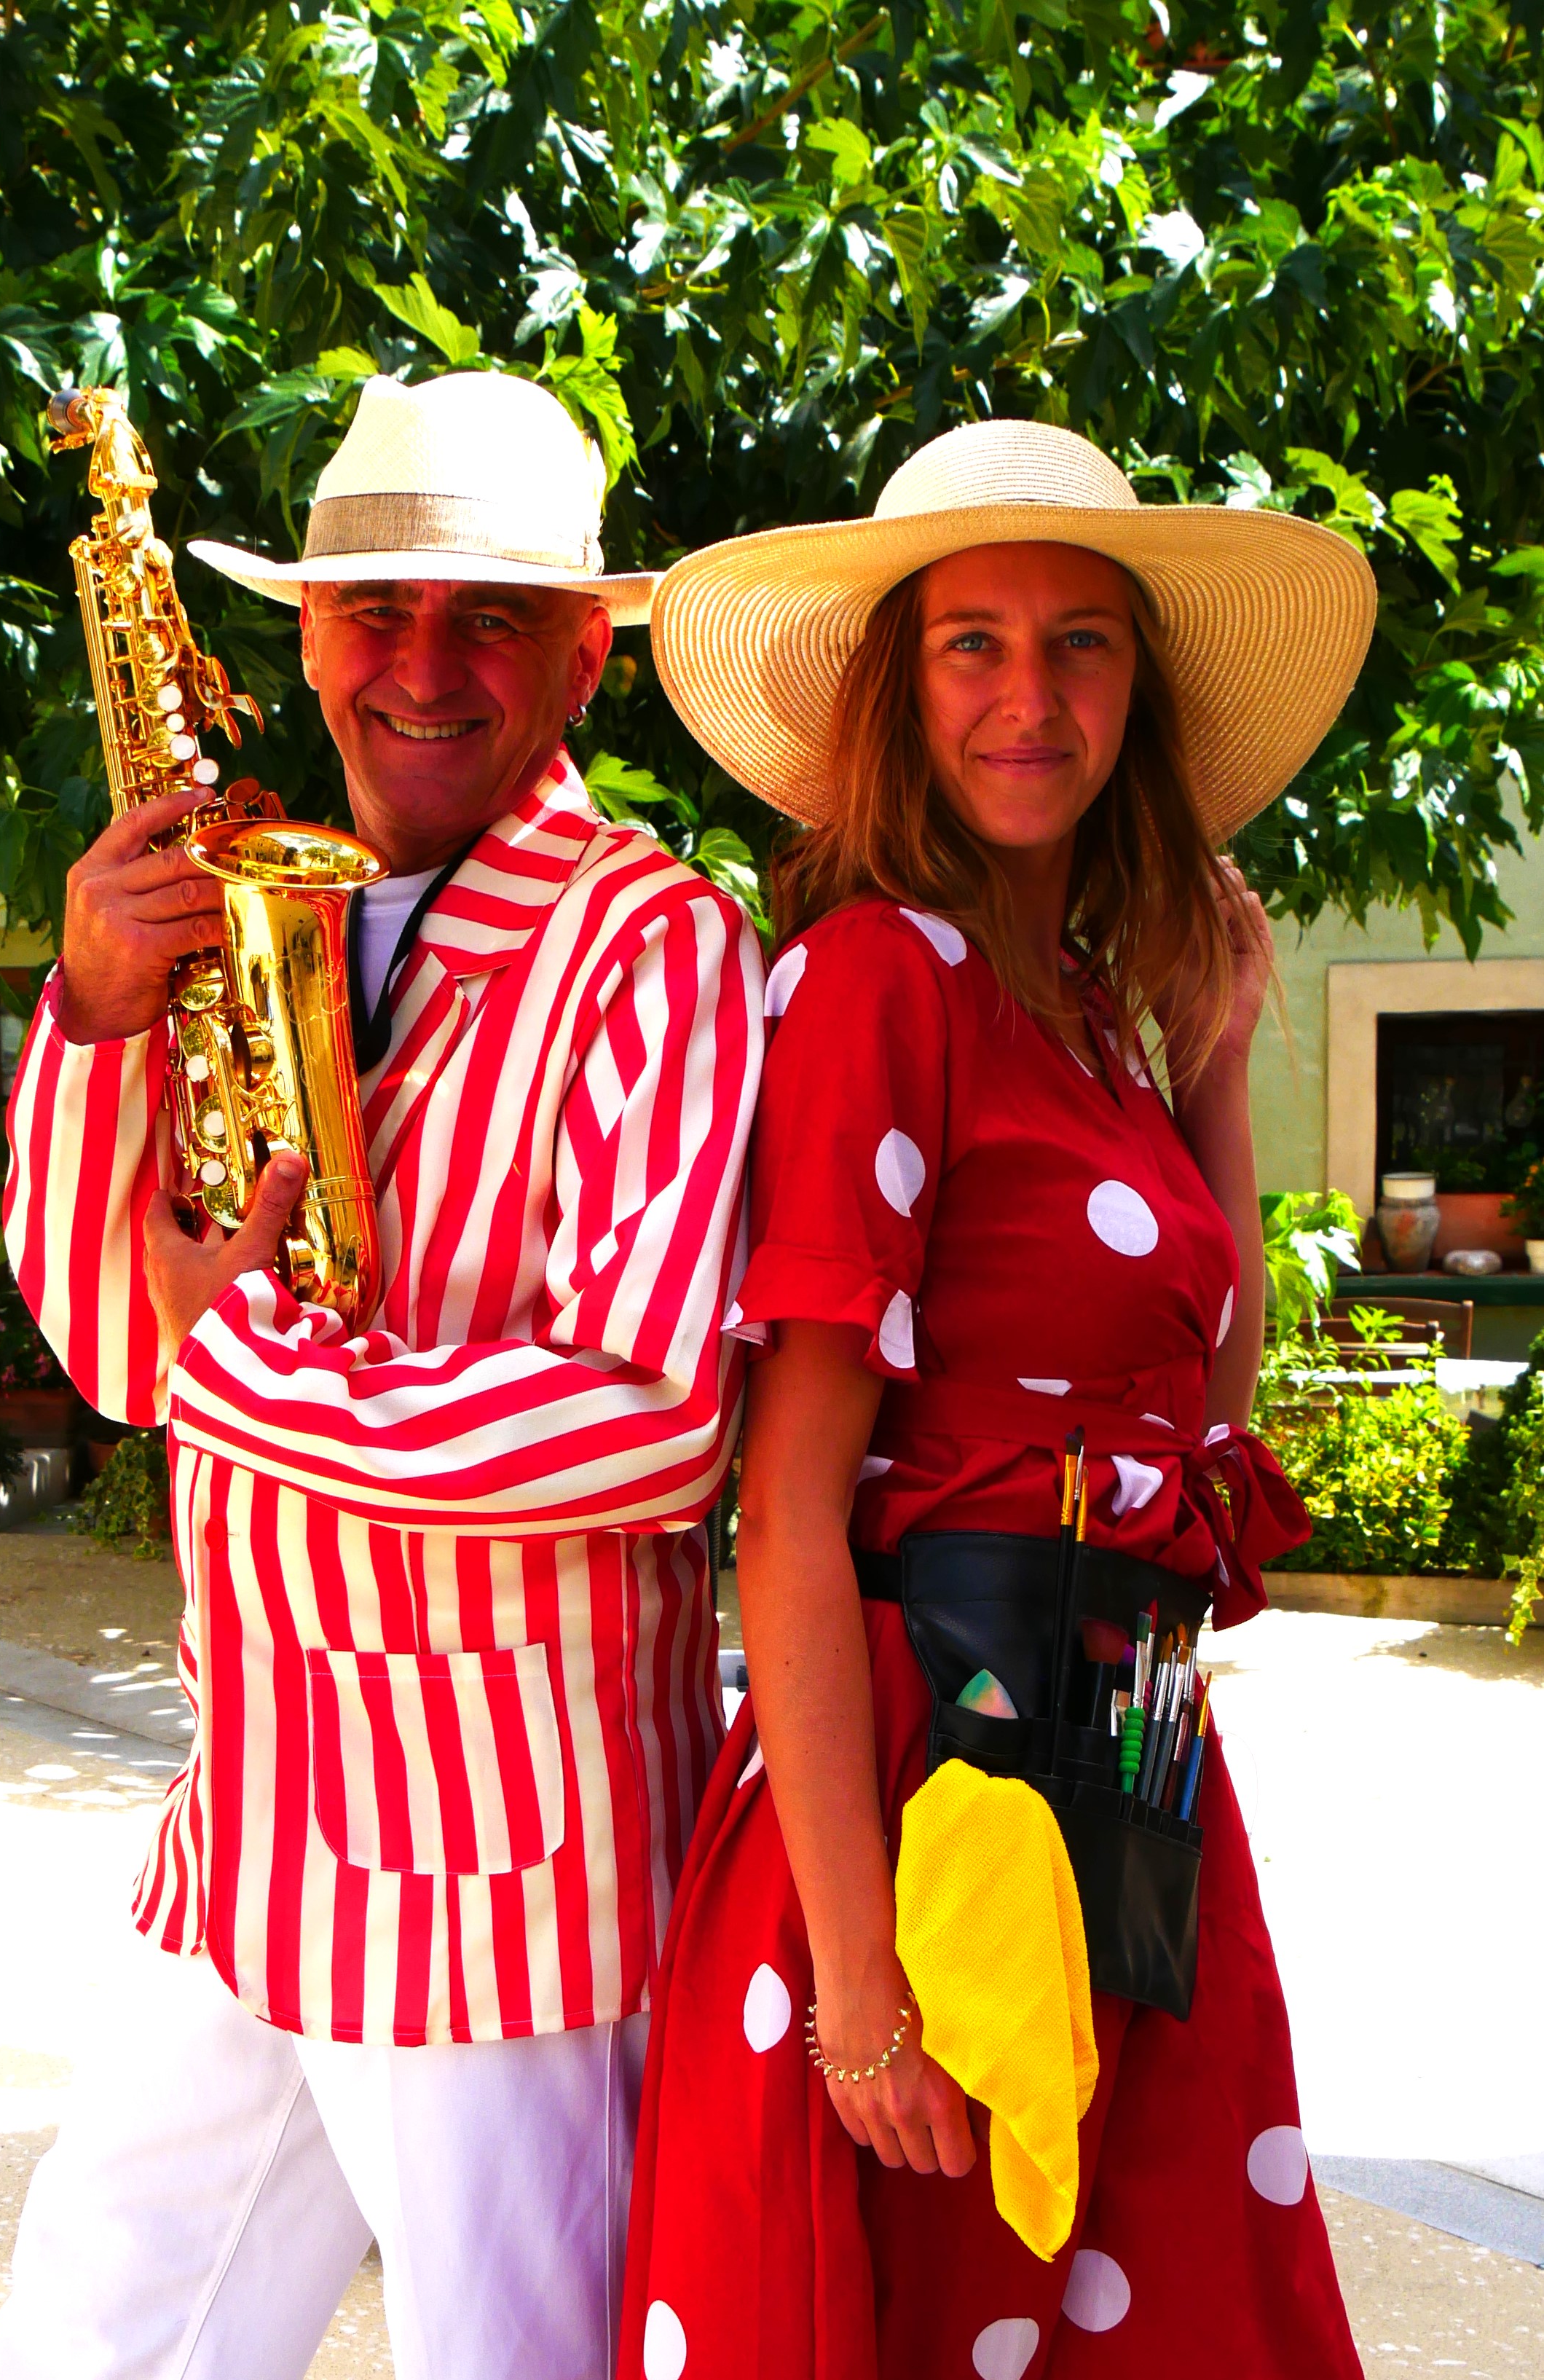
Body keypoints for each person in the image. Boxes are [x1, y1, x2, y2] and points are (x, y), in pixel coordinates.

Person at [0, 370, 763, 2380]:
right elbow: (107, 1341)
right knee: (89, 2337)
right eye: (374, 609)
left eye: (490, 613)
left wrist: (241, 1357)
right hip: (254, 1824)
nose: (421, 664)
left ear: (589, 650)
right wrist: (91, 1011)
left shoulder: (654, 939)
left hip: (509, 1869)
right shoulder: (260, 897)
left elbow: (652, 1413)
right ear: (301, 634)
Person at [618, 418, 1374, 2378]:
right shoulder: (879, 974)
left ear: (1138, 688)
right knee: (946, 2304)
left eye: (1080, 643)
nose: (1027, 695)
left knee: (1142, 2306)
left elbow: (1193, 1399)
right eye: (970, 641)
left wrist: (1205, 1041)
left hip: (1112, 1751)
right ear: (895, 688)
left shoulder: (1092, 1012)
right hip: (922, 1770)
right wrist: (855, 1991)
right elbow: (784, 1510)